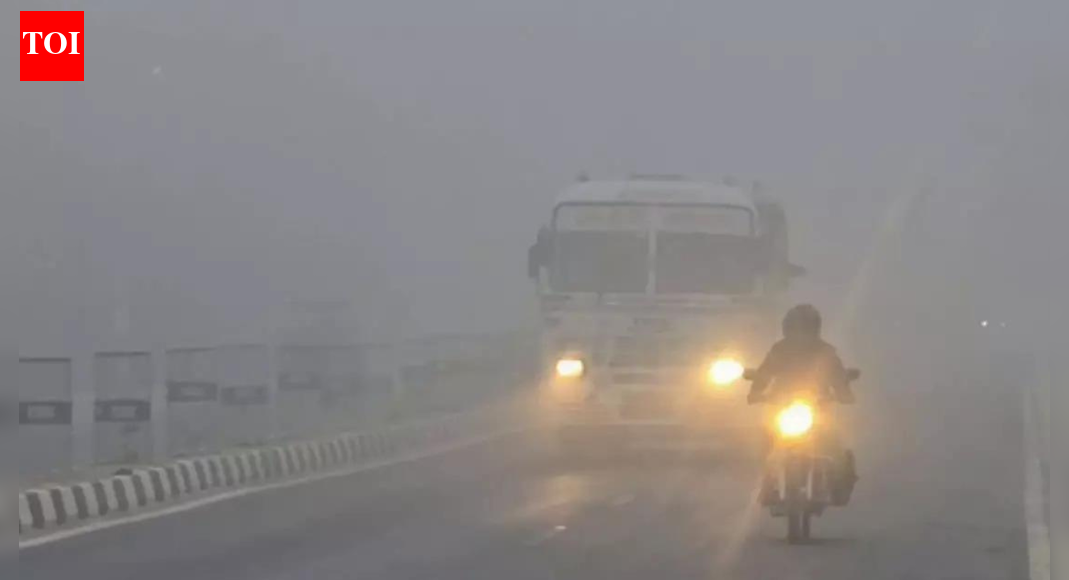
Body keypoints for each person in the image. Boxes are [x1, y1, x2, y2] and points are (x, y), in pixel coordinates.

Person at [748, 304, 858, 506]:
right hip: (782, 407)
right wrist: (756, 391)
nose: (800, 334)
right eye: (795, 328)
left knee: (835, 446)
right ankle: (766, 483)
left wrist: (844, 393)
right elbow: (764, 373)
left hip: (818, 409)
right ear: (787, 329)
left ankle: (841, 485)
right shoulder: (778, 350)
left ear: (815, 329)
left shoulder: (826, 352)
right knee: (765, 441)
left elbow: (838, 377)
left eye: (805, 328)